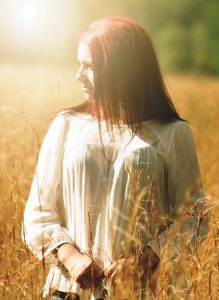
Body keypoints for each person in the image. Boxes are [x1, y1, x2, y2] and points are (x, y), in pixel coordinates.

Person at [22, 16, 209, 299]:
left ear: (121, 70)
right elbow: (38, 209)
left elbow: (194, 217)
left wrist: (144, 262)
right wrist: (71, 258)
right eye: (78, 64)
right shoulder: (66, 125)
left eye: (89, 66)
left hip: (141, 293)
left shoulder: (173, 133)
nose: (78, 75)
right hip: (68, 291)